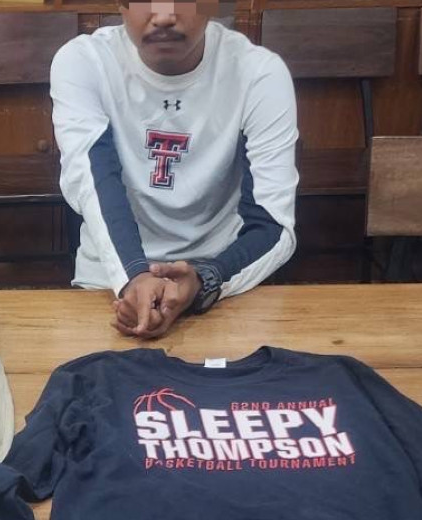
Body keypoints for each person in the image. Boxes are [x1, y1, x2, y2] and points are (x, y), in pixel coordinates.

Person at [51, 1, 298, 338]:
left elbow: (273, 224)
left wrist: (205, 279)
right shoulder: (85, 61)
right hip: (110, 283)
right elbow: (94, 184)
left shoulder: (259, 73)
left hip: (226, 284)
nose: (165, 15)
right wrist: (135, 276)